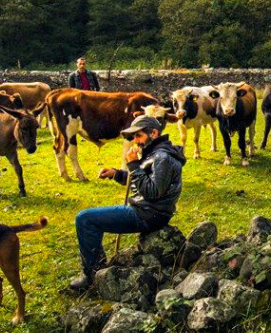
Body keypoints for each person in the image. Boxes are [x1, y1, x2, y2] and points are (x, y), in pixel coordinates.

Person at [70, 114, 185, 291]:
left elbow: (152, 192)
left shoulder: (163, 157)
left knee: (85, 219)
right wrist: (117, 174)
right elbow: (144, 180)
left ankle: (93, 275)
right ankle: (98, 270)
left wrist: (132, 165)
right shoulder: (154, 153)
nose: (135, 141)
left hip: (148, 214)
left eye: (139, 135)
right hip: (148, 210)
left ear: (153, 133)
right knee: (88, 218)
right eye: (133, 137)